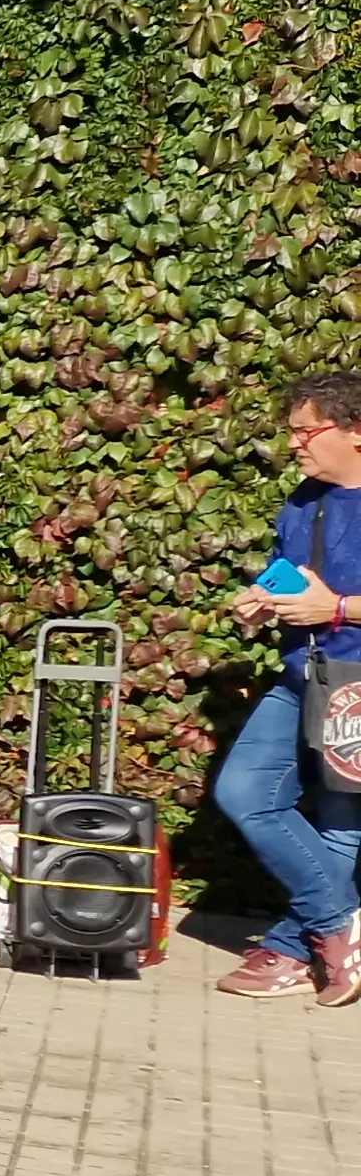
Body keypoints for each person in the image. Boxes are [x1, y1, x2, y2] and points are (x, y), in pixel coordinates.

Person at [213, 372, 361, 1001]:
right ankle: (337, 926)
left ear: (354, 431)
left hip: (356, 684)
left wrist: (337, 610)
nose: (295, 443)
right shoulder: (305, 500)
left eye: (307, 430)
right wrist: (264, 599)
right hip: (302, 675)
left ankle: (293, 949)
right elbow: (293, 578)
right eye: (293, 431)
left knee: (340, 821)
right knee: (244, 791)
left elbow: (329, 601)